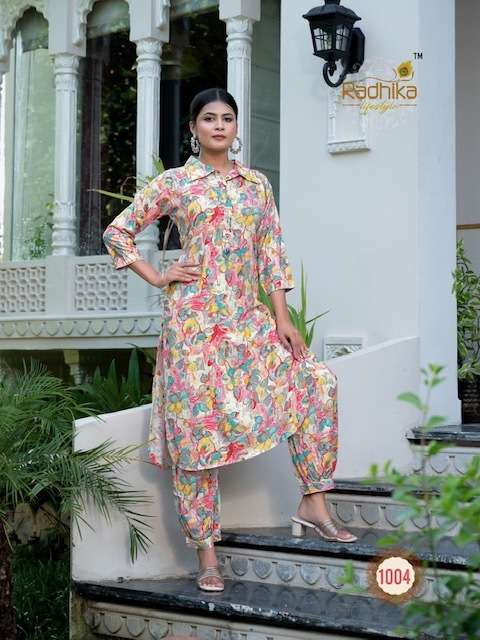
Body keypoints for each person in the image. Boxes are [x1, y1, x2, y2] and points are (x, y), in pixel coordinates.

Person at [102, 87, 357, 593]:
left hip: (247, 319)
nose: (219, 125)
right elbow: (118, 232)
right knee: (196, 435)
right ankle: (206, 555)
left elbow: (271, 252)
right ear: (193, 128)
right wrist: (159, 276)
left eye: (227, 118)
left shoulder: (256, 185)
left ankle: (314, 502)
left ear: (236, 128)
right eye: (209, 118)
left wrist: (282, 318)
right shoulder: (176, 183)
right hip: (193, 326)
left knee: (316, 383)